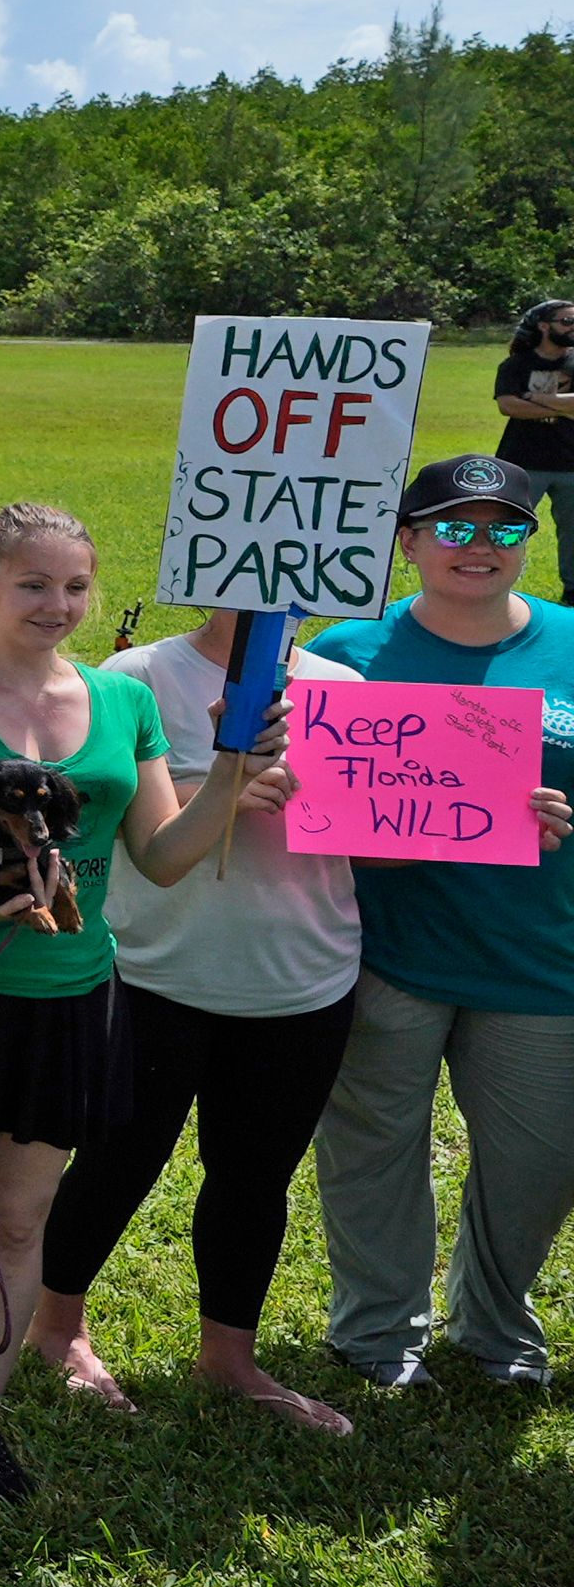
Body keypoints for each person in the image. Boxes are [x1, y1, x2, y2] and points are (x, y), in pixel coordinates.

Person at [0, 503, 260, 1499]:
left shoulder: (123, 704)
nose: (58, 606)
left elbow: (158, 853)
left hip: (70, 1000)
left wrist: (233, 774)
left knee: (18, 1228)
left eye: (75, 587)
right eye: (34, 585)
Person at [21, 608, 365, 1432]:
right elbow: (107, 821)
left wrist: (501, 818)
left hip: (303, 977)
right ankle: (55, 1329)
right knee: (117, 1158)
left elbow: (381, 834)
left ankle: (229, 1356)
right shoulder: (139, 677)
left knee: (255, 1178)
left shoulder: (345, 691)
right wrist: (222, 787)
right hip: (157, 973)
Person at [307, 453, 574, 1388]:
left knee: (538, 1163)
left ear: (529, 545)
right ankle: (377, 1332)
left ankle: (497, 1333)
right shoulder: (344, 655)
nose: (480, 546)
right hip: (384, 954)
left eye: (506, 528)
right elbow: (313, 812)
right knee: (373, 1151)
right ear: (410, 541)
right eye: (455, 528)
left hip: (540, 960)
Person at [492, 301, 574, 600]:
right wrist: (561, 404)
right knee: (508, 526)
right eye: (566, 321)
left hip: (571, 464)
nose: (572, 327)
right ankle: (493, 585)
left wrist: (530, 397)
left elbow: (518, 402)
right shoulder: (516, 364)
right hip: (521, 462)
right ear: (543, 325)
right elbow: (508, 406)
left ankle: (572, 594)